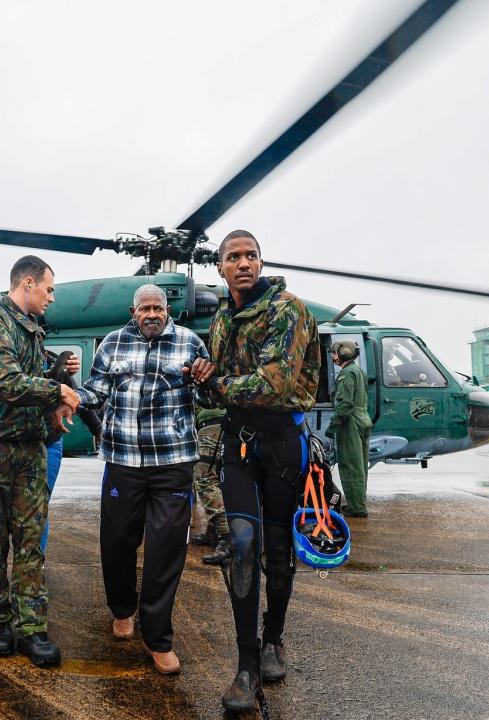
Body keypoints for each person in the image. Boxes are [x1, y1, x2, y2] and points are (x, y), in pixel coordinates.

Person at [198, 229, 321, 712]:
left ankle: (275, 638)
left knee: (276, 550)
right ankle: (247, 666)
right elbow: (221, 386)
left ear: (261, 262)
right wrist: (205, 377)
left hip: (283, 445)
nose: (244, 263)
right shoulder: (222, 320)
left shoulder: (287, 309)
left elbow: (274, 383)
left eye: (251, 255)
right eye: (234, 257)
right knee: (243, 545)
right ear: (221, 268)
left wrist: (218, 383)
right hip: (239, 444)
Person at [75, 284, 213, 675]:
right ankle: (122, 608)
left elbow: (208, 398)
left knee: (167, 548)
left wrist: (206, 381)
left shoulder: (190, 342)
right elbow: (96, 391)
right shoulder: (113, 344)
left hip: (173, 460)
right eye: (144, 309)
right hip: (123, 460)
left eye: (158, 308)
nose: (151, 314)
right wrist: (70, 397)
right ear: (133, 312)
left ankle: (158, 639)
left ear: (167, 311)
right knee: (117, 540)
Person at [0, 255, 80, 668]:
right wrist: (58, 392)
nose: (51, 297)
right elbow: (7, 384)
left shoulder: (32, 333)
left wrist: (53, 410)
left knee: (29, 543)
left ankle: (32, 627)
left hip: (29, 450)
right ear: (28, 283)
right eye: (49, 288)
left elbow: (29, 392)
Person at [41, 349, 102, 553]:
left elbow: (75, 399)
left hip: (50, 442)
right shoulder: (9, 362)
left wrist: (99, 431)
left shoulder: (53, 362)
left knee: (40, 505)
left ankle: (36, 562)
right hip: (18, 442)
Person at [327, 340, 372, 517]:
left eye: (334, 353)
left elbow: (345, 404)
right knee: (360, 466)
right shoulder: (358, 371)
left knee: (351, 465)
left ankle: (357, 508)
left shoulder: (346, 374)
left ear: (344, 353)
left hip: (350, 422)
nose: (332, 356)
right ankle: (357, 503)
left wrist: (333, 426)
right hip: (363, 419)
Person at [192, 405, 231, 565]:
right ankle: (214, 531)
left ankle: (227, 536)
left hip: (213, 425)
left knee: (205, 478)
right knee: (215, 479)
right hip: (220, 423)